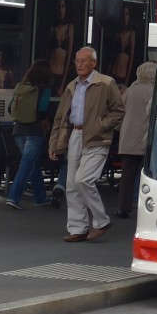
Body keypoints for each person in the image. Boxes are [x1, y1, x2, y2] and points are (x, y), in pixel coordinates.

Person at [48, 46, 124, 243]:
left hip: (96, 137)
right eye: (77, 61)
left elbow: (118, 111)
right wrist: (54, 143)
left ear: (94, 63)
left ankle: (101, 220)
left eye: (84, 60)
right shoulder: (71, 86)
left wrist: (101, 126)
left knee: (83, 179)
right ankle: (78, 228)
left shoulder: (106, 83)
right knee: (72, 183)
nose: (79, 64)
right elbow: (60, 117)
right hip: (75, 134)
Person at [4, 60, 53, 210]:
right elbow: (42, 111)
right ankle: (13, 197)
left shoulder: (20, 87)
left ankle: (41, 197)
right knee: (27, 164)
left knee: (32, 164)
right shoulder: (44, 89)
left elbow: (10, 109)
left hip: (18, 131)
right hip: (35, 132)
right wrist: (47, 123)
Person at [116, 60, 155, 219]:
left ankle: (123, 207)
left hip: (128, 137)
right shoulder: (155, 91)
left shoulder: (130, 91)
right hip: (147, 138)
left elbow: (120, 111)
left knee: (127, 175)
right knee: (150, 174)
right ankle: (148, 206)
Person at [49, 0, 75, 93]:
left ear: (66, 8)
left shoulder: (70, 28)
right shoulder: (53, 29)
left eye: (63, 6)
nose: (61, 9)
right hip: (51, 72)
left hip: (61, 73)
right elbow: (50, 54)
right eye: (59, 7)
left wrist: (63, 83)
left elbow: (69, 56)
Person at [110, 6, 137, 85]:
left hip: (123, 76)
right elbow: (112, 56)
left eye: (127, 14)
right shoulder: (117, 34)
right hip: (113, 73)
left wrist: (127, 80)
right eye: (123, 15)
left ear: (129, 16)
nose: (125, 17)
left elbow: (131, 59)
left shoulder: (132, 34)